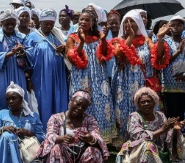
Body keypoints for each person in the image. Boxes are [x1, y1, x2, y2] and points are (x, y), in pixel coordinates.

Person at [110, 9, 168, 140]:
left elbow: (157, 55)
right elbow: (120, 56)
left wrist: (159, 38)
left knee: (143, 106)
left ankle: (145, 135)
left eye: (132, 21)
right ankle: (124, 139)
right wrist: (129, 38)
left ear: (139, 23)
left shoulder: (146, 40)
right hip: (123, 81)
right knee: (123, 108)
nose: (128, 24)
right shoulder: (117, 41)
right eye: (126, 22)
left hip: (141, 81)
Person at [64, 8, 115, 142]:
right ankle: (79, 136)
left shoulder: (98, 36)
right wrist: (81, 42)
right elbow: (72, 58)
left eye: (87, 20)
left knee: (100, 103)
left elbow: (105, 55)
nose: (83, 22)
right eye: (81, 19)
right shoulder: (72, 37)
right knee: (80, 103)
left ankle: (101, 137)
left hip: (98, 76)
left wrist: (103, 40)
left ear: (93, 22)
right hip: (81, 76)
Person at [0, 10, 28, 120]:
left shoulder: (21, 37)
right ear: (1, 22)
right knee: (1, 98)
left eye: (13, 24)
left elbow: (29, 55)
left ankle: (21, 126)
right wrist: (10, 53)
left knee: (19, 98)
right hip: (1, 73)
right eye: (7, 24)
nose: (10, 26)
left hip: (17, 72)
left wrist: (23, 52)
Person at [29, 8, 68, 126]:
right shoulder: (32, 37)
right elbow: (26, 59)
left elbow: (70, 51)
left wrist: (64, 48)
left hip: (58, 77)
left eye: (51, 24)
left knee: (59, 101)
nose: (49, 26)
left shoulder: (58, 36)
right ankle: (45, 132)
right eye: (46, 24)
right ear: (40, 22)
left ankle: (60, 129)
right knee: (43, 103)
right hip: (41, 78)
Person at [159, 16, 185, 120]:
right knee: (171, 114)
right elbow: (164, 62)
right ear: (169, 27)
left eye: (179, 25)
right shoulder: (165, 42)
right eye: (173, 25)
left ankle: (180, 135)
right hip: (169, 85)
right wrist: (177, 52)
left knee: (181, 114)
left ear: (184, 27)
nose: (176, 27)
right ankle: (171, 135)